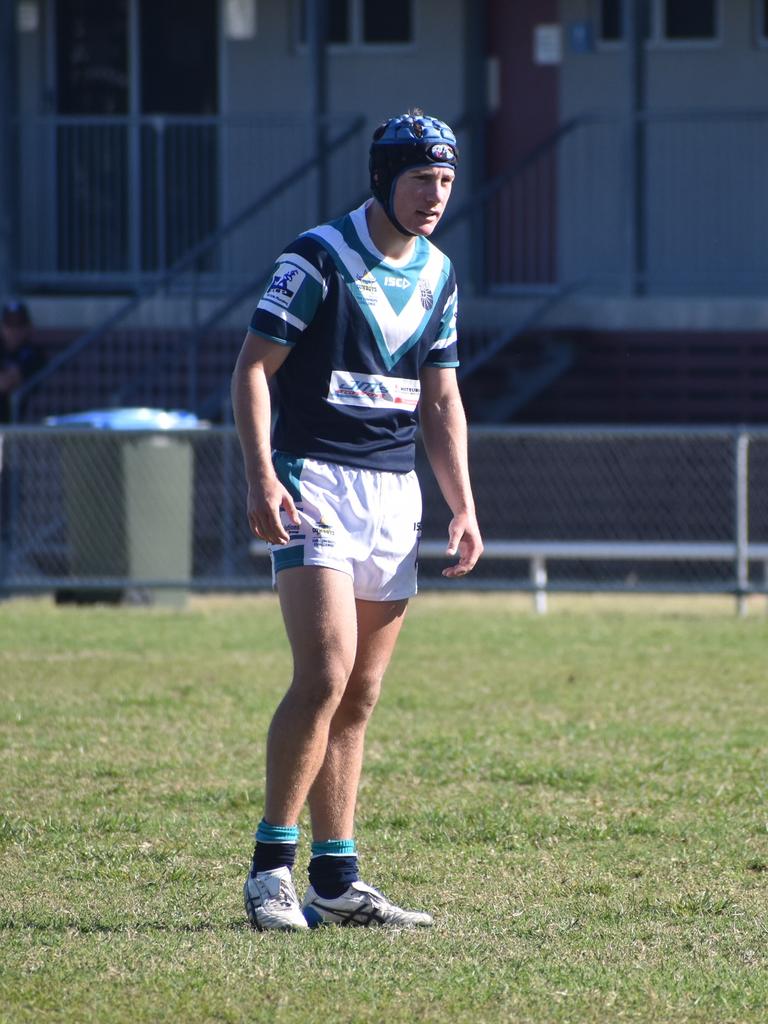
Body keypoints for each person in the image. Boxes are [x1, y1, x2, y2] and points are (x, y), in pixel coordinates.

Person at [231, 110, 483, 931]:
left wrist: (463, 502)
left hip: (392, 495)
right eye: (421, 179)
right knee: (326, 673)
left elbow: (442, 397)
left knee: (363, 693)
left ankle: (335, 881)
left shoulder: (441, 273)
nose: (435, 195)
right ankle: (271, 870)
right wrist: (262, 473)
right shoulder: (317, 258)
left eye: (445, 181)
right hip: (314, 485)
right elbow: (253, 370)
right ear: (383, 178)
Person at [0, 300, 45, 423]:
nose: (14, 331)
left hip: (21, 423)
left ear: (28, 327)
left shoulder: (33, 353)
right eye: (10, 325)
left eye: (19, 325)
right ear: (3, 327)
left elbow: (7, 383)